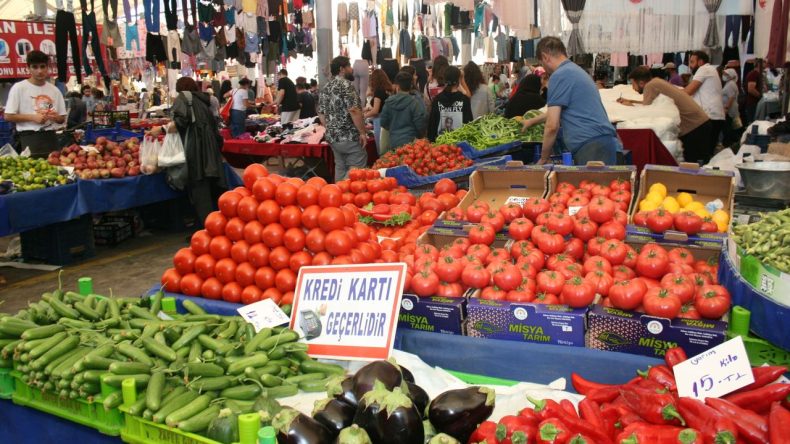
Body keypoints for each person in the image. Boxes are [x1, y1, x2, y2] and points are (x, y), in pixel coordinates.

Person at [521, 37, 620, 165]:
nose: (543, 68)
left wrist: (544, 158)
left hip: (592, 146)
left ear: (545, 57)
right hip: (603, 142)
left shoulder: (559, 75)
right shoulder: (575, 70)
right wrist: (531, 121)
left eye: (541, 63)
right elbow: (558, 112)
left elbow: (552, 125)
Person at [153, 77, 227, 226]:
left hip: (196, 149)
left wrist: (161, 129)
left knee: (199, 188)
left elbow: (181, 122)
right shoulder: (204, 100)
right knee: (209, 188)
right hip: (210, 149)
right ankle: (216, 225)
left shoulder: (183, 98)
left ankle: (207, 229)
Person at [620, 67, 714, 164]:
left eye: (633, 84)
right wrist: (632, 102)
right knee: (696, 165)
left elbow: (646, 113)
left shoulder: (650, 86)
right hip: (699, 124)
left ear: (641, 83)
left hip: (694, 128)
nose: (633, 88)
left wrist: (630, 106)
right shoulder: (656, 82)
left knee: (693, 167)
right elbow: (649, 105)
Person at [4, 50, 66, 156]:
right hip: (29, 137)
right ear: (28, 68)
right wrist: (33, 117)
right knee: (33, 166)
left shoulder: (54, 90)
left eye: (42, 66)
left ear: (47, 68)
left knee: (55, 165)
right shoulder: (19, 88)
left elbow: (62, 119)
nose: (39, 71)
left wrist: (55, 117)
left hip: (51, 137)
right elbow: (8, 116)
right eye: (35, 67)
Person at [318, 56, 369, 180]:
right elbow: (354, 110)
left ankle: (337, 191)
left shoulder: (326, 87)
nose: (352, 69)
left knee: (340, 167)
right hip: (349, 136)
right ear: (342, 69)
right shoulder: (346, 85)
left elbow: (321, 113)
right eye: (349, 66)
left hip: (333, 137)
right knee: (357, 166)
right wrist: (362, 132)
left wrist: (331, 127)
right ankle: (345, 189)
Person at [685, 50, 725, 148]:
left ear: (700, 62)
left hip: (710, 117)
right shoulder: (710, 70)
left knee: (702, 150)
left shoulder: (704, 69)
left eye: (692, 62)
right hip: (714, 116)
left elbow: (688, 91)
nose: (690, 65)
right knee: (707, 150)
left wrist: (671, 91)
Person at [380, 71, 427, 151]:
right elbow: (420, 124)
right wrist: (420, 136)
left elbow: (383, 123)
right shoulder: (414, 103)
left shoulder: (388, 102)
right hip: (412, 142)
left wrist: (392, 128)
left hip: (394, 141)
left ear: (397, 86)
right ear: (411, 86)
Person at [427, 66, 472, 141]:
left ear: (444, 80)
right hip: (460, 143)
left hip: (440, 143)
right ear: (458, 80)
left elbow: (432, 124)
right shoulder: (464, 99)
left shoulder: (437, 99)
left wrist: (431, 142)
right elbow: (469, 123)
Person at [721, 68, 742, 147]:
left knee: (728, 128)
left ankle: (729, 144)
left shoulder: (731, 84)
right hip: (729, 109)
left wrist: (726, 108)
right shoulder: (729, 83)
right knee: (729, 128)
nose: (724, 76)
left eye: (726, 74)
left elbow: (731, 98)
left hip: (729, 110)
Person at [745, 58, 766, 124]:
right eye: (764, 63)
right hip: (753, 103)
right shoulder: (753, 74)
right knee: (753, 123)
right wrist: (760, 96)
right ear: (759, 64)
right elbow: (751, 89)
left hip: (755, 103)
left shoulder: (758, 74)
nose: (765, 66)